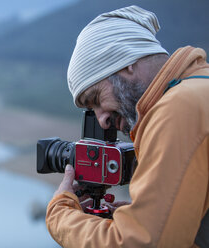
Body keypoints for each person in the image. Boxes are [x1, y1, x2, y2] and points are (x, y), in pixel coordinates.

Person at [45, 5, 209, 248]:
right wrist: (139, 217)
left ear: (127, 62)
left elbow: (143, 244)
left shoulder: (176, 109)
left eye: (97, 99)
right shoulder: (198, 89)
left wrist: (61, 216)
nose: (101, 120)